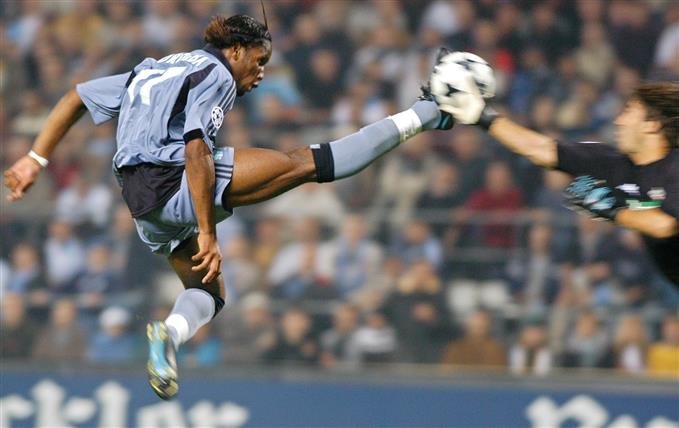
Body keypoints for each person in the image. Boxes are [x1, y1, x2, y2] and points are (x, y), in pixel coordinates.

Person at [3, 14, 452, 400]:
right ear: (235, 51)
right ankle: (428, 112)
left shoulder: (152, 69)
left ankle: (169, 336)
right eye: (259, 60)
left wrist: (35, 158)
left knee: (210, 293)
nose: (261, 73)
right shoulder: (216, 74)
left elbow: (77, 96)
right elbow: (196, 148)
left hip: (140, 203)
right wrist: (208, 232)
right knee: (306, 162)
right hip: (173, 178)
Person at [442, 58, 679, 287]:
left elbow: (666, 225)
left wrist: (612, 209)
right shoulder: (613, 163)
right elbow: (541, 149)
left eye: (629, 111)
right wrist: (481, 115)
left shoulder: (674, 167)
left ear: (652, 125)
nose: (619, 121)